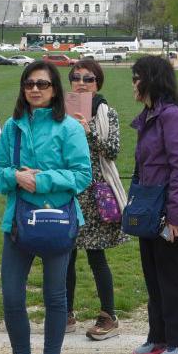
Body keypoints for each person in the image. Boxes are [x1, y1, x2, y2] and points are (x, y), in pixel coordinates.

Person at [0, 61, 91, 354]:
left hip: (58, 221)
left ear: (55, 90)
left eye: (43, 84)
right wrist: (15, 176)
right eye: (30, 84)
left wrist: (42, 180)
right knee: (13, 296)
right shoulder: (13, 126)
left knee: (55, 296)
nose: (35, 89)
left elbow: (82, 175)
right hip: (19, 222)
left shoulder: (69, 129)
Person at [128, 56, 178, 354]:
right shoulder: (150, 116)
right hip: (150, 207)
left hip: (169, 208)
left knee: (172, 276)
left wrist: (176, 216)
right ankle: (158, 336)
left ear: (152, 80)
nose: (133, 83)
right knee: (154, 275)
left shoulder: (172, 117)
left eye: (137, 77)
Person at [63, 61, 128, 339]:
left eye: (88, 79)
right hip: (68, 190)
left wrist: (88, 128)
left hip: (94, 194)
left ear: (97, 83)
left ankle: (108, 314)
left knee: (96, 257)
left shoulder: (106, 112)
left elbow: (112, 149)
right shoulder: (61, 111)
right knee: (65, 256)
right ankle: (65, 312)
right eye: (76, 78)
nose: (81, 83)